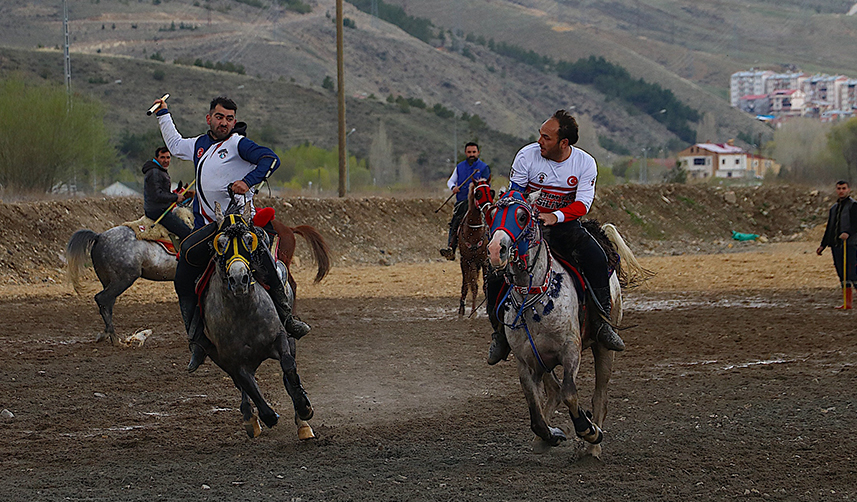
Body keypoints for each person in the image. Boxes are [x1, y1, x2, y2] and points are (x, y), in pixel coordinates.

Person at [151, 96, 310, 373]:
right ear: (209, 118)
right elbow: (175, 146)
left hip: (238, 223)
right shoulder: (200, 144)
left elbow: (270, 159)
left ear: (234, 122)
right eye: (219, 117)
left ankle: (287, 319)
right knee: (183, 274)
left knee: (267, 264)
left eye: (229, 118)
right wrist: (163, 114)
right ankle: (198, 340)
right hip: (208, 228)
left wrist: (246, 182)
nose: (224, 122)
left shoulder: (238, 144)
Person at [486, 109, 624, 365]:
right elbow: (515, 194)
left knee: (596, 258)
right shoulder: (527, 155)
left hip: (564, 228)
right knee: (494, 270)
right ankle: (499, 334)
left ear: (563, 143)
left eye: (546, 137)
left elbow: (583, 204)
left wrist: (555, 217)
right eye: (540, 134)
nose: (540, 141)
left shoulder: (585, 163)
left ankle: (602, 323)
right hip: (525, 229)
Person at [440, 142, 491, 260]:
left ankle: (492, 246)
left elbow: (486, 184)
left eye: (474, 152)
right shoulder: (460, 167)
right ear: (465, 153)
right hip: (463, 201)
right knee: (456, 220)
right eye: (469, 152)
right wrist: (453, 188)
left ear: (478, 153)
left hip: (480, 202)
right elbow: (450, 181)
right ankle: (451, 248)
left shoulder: (484, 168)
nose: (471, 154)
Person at [817, 180, 857, 309]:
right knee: (842, 274)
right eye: (839, 188)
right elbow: (830, 227)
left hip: (851, 245)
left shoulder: (854, 206)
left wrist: (848, 233)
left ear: (848, 190)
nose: (841, 191)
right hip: (836, 245)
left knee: (853, 273)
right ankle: (847, 303)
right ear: (836, 190)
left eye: (844, 188)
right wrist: (823, 245)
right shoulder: (834, 208)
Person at [142, 147, 192, 241]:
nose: (166, 160)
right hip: (158, 211)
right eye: (162, 157)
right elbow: (157, 195)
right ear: (156, 158)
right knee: (187, 233)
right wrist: (175, 197)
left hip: (159, 208)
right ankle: (183, 255)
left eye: (168, 157)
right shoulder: (155, 172)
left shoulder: (159, 170)